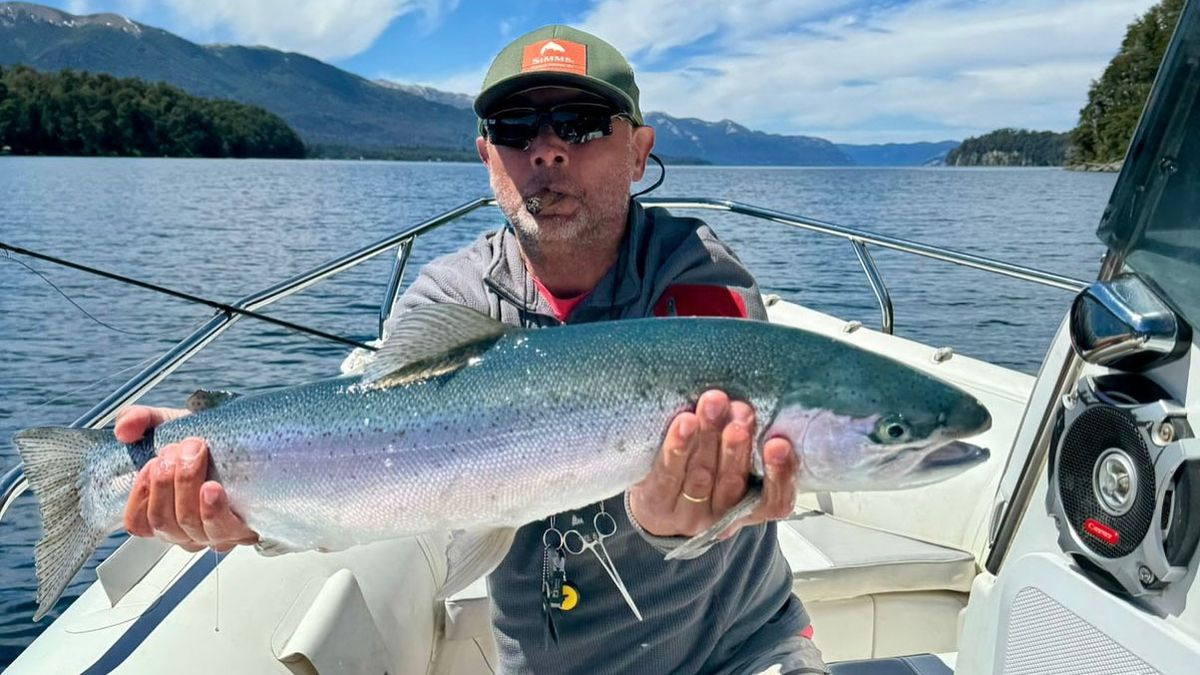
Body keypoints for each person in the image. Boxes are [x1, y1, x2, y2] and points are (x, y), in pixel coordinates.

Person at [116, 25, 827, 675]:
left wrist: (678, 513)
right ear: (487, 155)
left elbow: (728, 445)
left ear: (639, 151)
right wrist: (229, 477)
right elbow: (366, 449)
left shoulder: (696, 276)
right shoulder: (444, 299)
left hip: (739, 654)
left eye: (581, 124)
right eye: (517, 127)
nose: (546, 148)